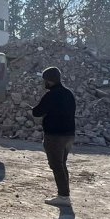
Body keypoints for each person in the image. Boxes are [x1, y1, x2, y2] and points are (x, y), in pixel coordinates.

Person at [32, 67, 76, 205]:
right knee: (62, 164)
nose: (44, 83)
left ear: (49, 80)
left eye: (45, 80)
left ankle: (63, 196)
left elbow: (37, 112)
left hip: (55, 136)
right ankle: (64, 194)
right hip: (69, 135)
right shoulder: (69, 93)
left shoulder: (51, 95)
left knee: (56, 165)